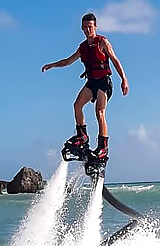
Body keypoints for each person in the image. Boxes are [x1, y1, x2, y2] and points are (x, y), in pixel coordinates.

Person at [41, 12, 130, 164]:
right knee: (77, 105)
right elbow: (68, 61)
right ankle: (82, 136)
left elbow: (115, 60)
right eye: (85, 28)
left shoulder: (103, 43)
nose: (88, 30)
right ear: (82, 29)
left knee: (99, 111)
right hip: (92, 82)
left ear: (95, 27)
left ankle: (103, 147)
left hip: (104, 82)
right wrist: (52, 65)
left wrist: (124, 79)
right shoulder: (82, 48)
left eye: (90, 27)